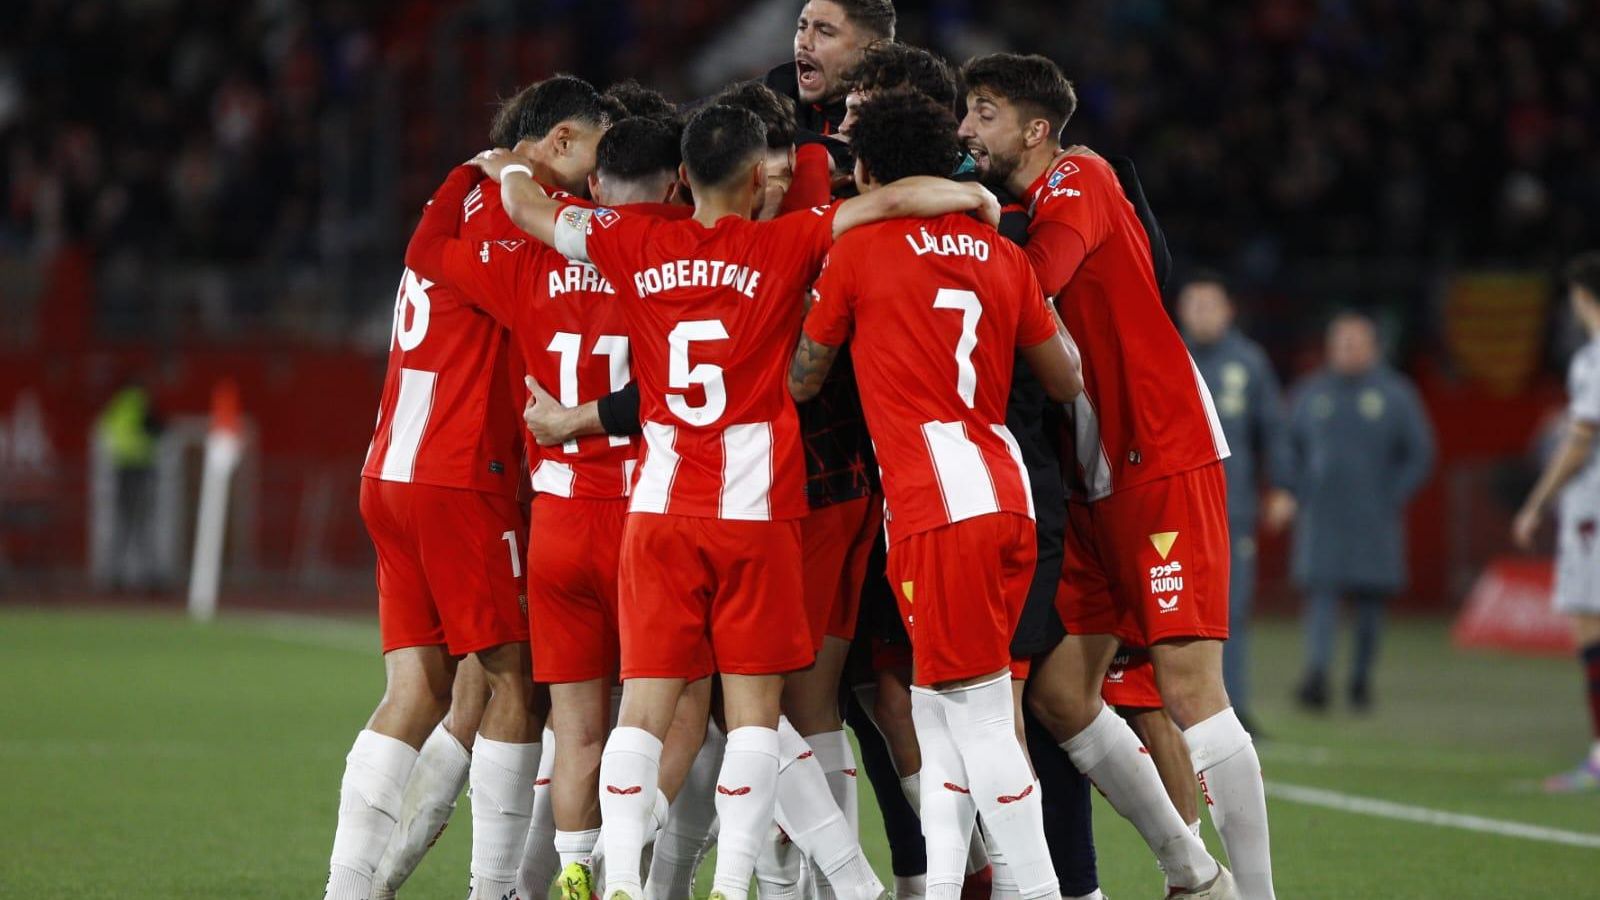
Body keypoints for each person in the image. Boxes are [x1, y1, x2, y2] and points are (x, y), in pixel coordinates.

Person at [479, 103, 998, 900]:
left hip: (657, 511)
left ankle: (618, 876)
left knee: (644, 706)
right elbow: (892, 201)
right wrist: (974, 200)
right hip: (756, 514)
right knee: (755, 714)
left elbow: (528, 208)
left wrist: (510, 163)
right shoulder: (783, 242)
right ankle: (732, 881)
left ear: (684, 178)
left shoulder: (631, 240)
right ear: (760, 179)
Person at [958, 52, 1263, 899]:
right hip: (1089, 475)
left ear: (1036, 128)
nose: (965, 131)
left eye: (983, 113)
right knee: (1062, 695)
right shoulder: (1024, 202)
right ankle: (1196, 875)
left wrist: (944, 214)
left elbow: (1033, 283)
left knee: (1191, 689)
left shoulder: (1078, 178)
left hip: (1158, 454)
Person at [790, 87, 1084, 900]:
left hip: (933, 503)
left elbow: (804, 379)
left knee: (982, 723)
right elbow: (1066, 377)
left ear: (870, 170)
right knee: (938, 720)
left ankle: (1038, 891)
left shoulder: (857, 255)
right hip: (1005, 489)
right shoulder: (1003, 255)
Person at [323, 75, 609, 900]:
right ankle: (493, 891)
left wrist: (471, 173)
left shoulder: (454, 205)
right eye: (595, 151)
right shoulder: (514, 228)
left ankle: (349, 889)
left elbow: (426, 255)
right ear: (556, 141)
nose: (599, 177)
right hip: (461, 477)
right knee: (516, 681)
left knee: (416, 693)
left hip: (391, 471)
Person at [1280, 312, 1435, 713]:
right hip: (1322, 516)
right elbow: (1287, 447)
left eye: (1355, 342)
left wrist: (1392, 494)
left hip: (1373, 518)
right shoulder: (1311, 394)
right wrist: (1295, 489)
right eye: (1341, 341)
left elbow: (1420, 453)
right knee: (1321, 598)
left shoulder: (1396, 394)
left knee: (1370, 606)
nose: (1347, 349)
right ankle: (1316, 677)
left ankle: (1360, 680)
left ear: (1373, 347)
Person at [1177, 274, 1290, 735]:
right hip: (1173, 510)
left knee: (1230, 611)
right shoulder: (1168, 353)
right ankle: (1168, 708)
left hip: (1230, 509)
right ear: (1182, 311)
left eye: (1210, 305)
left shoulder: (1249, 363)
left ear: (1228, 311)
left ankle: (1232, 707)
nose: (1202, 314)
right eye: (1195, 305)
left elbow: (1273, 430)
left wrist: (1281, 486)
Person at [1511, 252, 1600, 791]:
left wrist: (1535, 503)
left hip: (1593, 511)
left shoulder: (1592, 359)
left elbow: (1580, 440)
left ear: (1582, 298)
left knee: (1588, 626)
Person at [96, 380, 162, 591]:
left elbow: (106, 433)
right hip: (139, 471)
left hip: (121, 471)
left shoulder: (115, 408)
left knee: (122, 527)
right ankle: (149, 576)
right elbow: (157, 429)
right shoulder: (139, 405)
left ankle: (115, 576)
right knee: (142, 527)